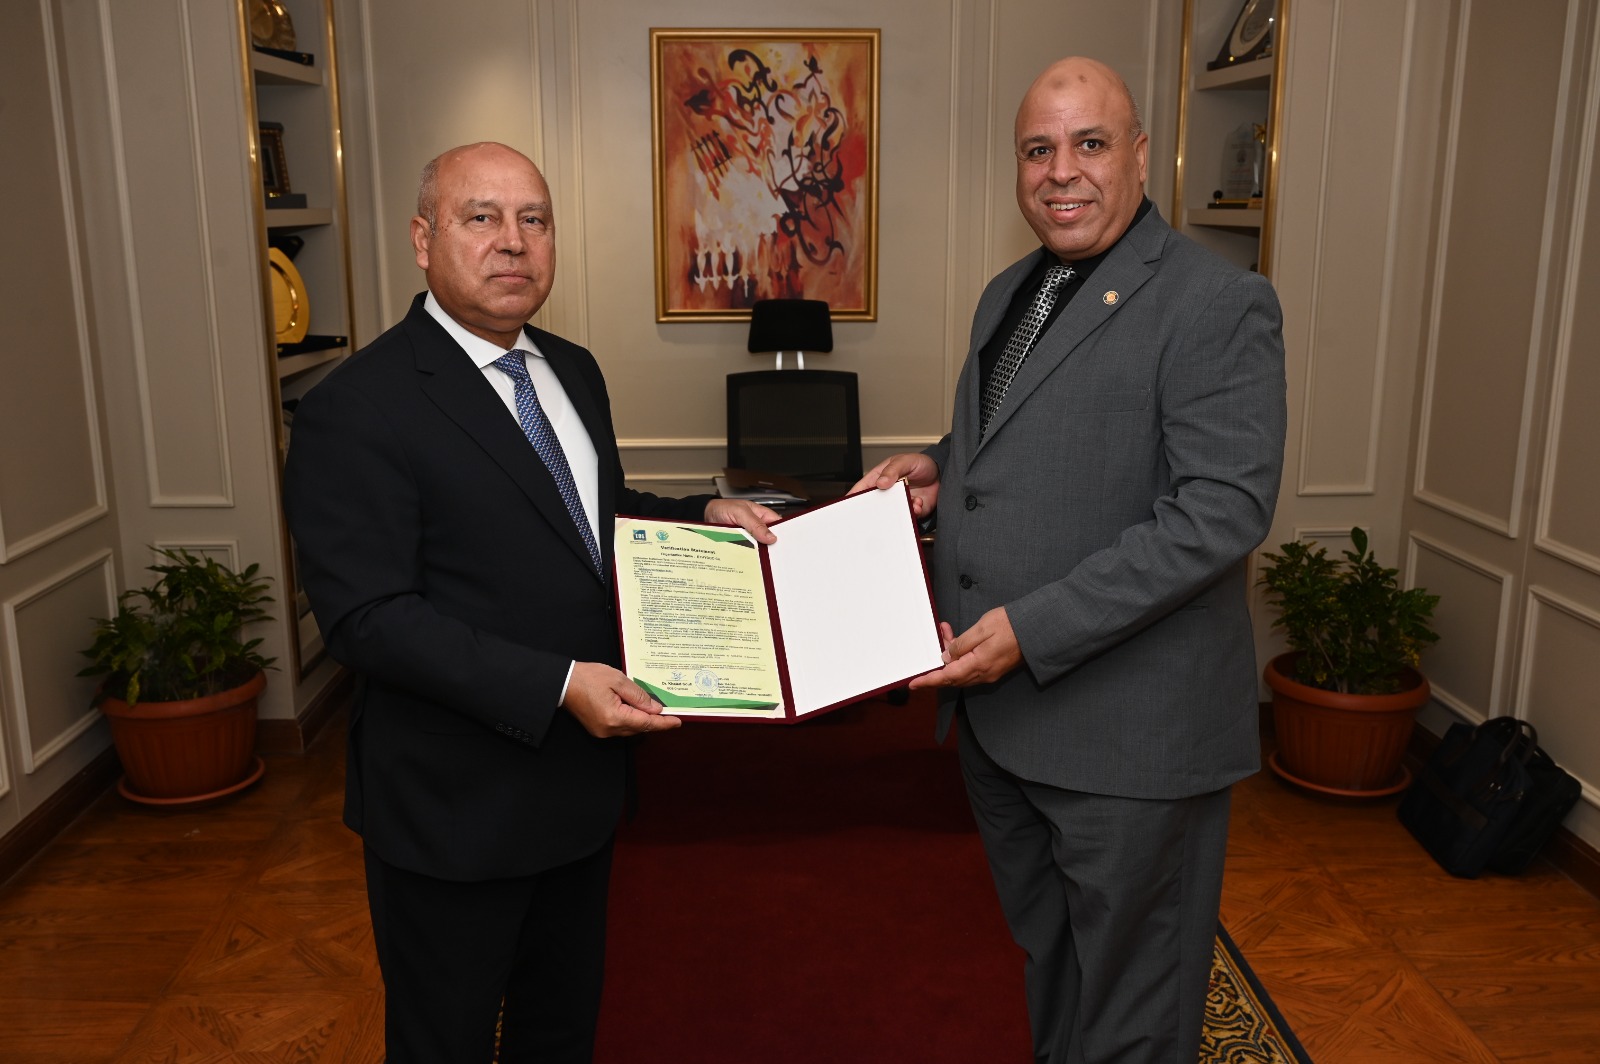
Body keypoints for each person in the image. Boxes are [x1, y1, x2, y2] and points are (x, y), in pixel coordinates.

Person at [283, 141, 778, 1063]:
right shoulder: (357, 406)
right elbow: (367, 618)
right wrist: (557, 684)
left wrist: (699, 514)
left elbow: (589, 518)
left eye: (533, 220)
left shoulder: (571, 368)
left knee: (561, 1033)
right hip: (454, 812)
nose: (512, 241)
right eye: (482, 217)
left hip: (580, 793)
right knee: (447, 1044)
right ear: (423, 240)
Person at [854, 58, 1286, 1062]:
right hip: (1004, 727)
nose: (1061, 171)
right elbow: (1028, 434)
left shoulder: (1217, 302)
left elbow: (1220, 510)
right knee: (1051, 968)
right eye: (1037, 149)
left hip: (1128, 741)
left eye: (1089, 144)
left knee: (1134, 1012)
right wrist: (941, 462)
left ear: (1140, 154)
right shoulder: (1011, 289)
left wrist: (1033, 628)